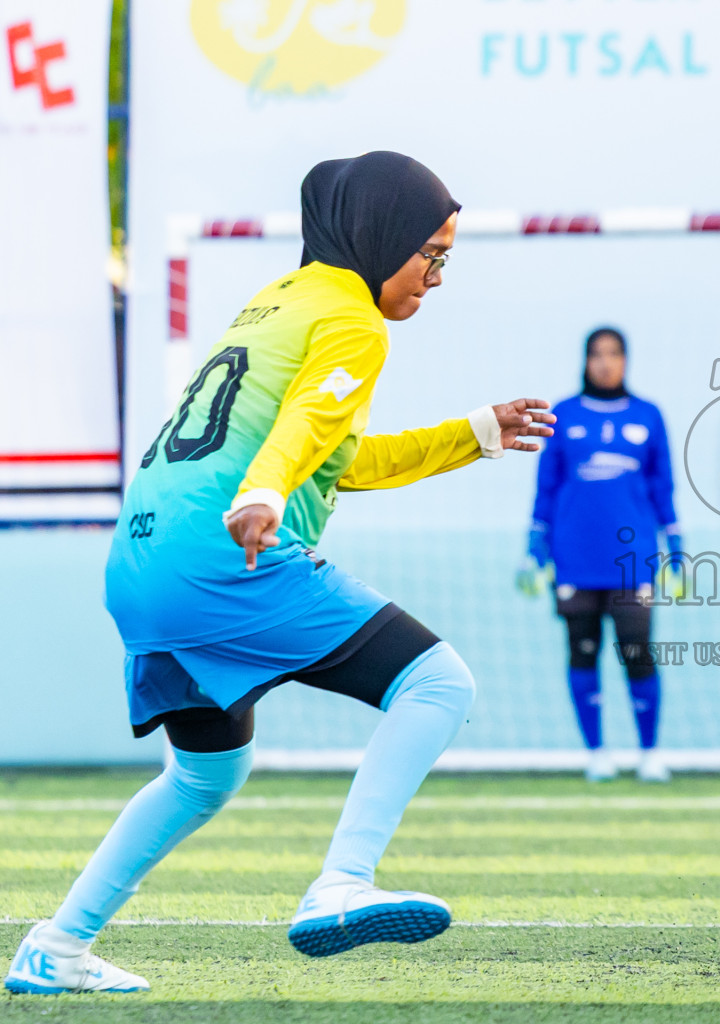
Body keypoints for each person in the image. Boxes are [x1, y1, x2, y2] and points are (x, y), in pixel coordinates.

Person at [4, 151, 555, 995]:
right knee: (437, 684)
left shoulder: (277, 302)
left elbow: (332, 457)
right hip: (223, 555)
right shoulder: (356, 323)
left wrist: (475, 431)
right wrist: (263, 490)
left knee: (204, 773)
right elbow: (302, 428)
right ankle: (342, 883)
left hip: (140, 558)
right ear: (383, 236)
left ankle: (57, 945)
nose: (438, 276)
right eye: (432, 254)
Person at [517, 327, 681, 783]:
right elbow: (546, 488)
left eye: (614, 354)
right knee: (582, 653)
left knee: (638, 652)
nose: (605, 362)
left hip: (634, 561)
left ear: (626, 360)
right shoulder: (562, 415)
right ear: (585, 360)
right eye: (597, 354)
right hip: (573, 558)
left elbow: (662, 486)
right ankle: (597, 752)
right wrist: (534, 548)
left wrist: (678, 549)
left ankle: (650, 753)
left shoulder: (648, 415)